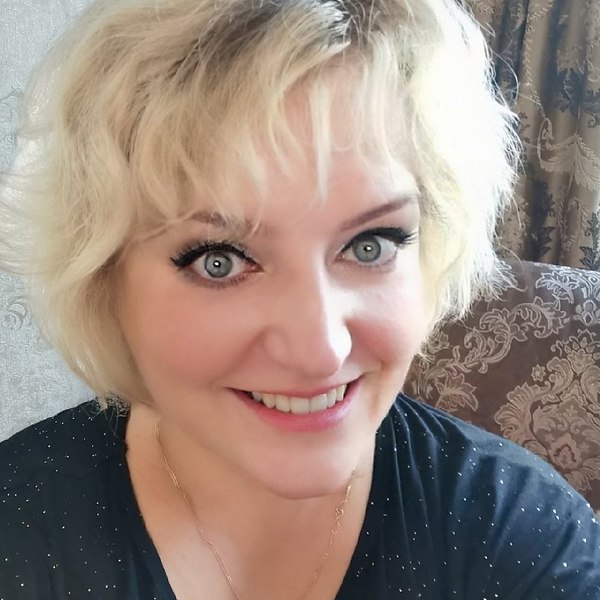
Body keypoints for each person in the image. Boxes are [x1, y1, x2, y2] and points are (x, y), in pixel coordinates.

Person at [0, 0, 599, 598]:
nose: (320, 351)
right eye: (219, 260)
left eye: (369, 245)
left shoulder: (523, 538)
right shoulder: (19, 528)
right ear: (104, 279)